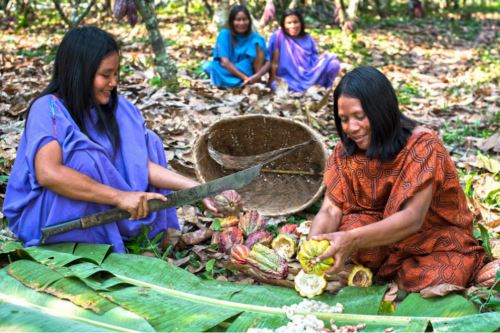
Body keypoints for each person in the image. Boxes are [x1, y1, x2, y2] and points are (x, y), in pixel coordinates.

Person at [3, 26, 217, 253]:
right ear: (79, 72)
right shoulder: (48, 109)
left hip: (109, 208)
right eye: (105, 75)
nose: (113, 82)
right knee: (83, 159)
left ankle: (131, 232)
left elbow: (139, 166)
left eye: (116, 74)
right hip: (49, 219)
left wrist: (199, 190)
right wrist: (119, 197)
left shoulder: (117, 109)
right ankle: (80, 242)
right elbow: (49, 173)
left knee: (150, 141)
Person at [309, 66, 485, 292]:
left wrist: (352, 239)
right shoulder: (345, 152)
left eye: (360, 117)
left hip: (429, 239)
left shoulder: (423, 146)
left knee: (443, 275)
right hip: (376, 239)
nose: (351, 128)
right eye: (344, 119)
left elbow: (413, 218)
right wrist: (315, 245)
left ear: (381, 111)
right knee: (349, 230)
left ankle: (382, 277)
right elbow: (331, 210)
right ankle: (373, 272)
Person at [267, 9, 340, 93]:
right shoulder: (278, 36)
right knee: (274, 85)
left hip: (311, 77)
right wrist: (270, 82)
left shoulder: (308, 38)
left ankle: (323, 89)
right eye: (289, 23)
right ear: (283, 24)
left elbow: (314, 60)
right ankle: (307, 90)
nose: (293, 26)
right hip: (289, 80)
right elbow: (273, 63)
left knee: (334, 64)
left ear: (301, 23)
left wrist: (322, 62)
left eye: (296, 22)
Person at [203, 5, 270, 88]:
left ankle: (245, 83)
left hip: (247, 70)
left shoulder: (256, 38)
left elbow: (268, 61)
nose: (242, 23)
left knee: (258, 43)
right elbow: (224, 62)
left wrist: (257, 75)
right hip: (230, 70)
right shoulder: (224, 34)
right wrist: (245, 78)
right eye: (238, 20)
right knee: (207, 66)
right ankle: (241, 83)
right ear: (232, 22)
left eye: (245, 19)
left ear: (249, 21)